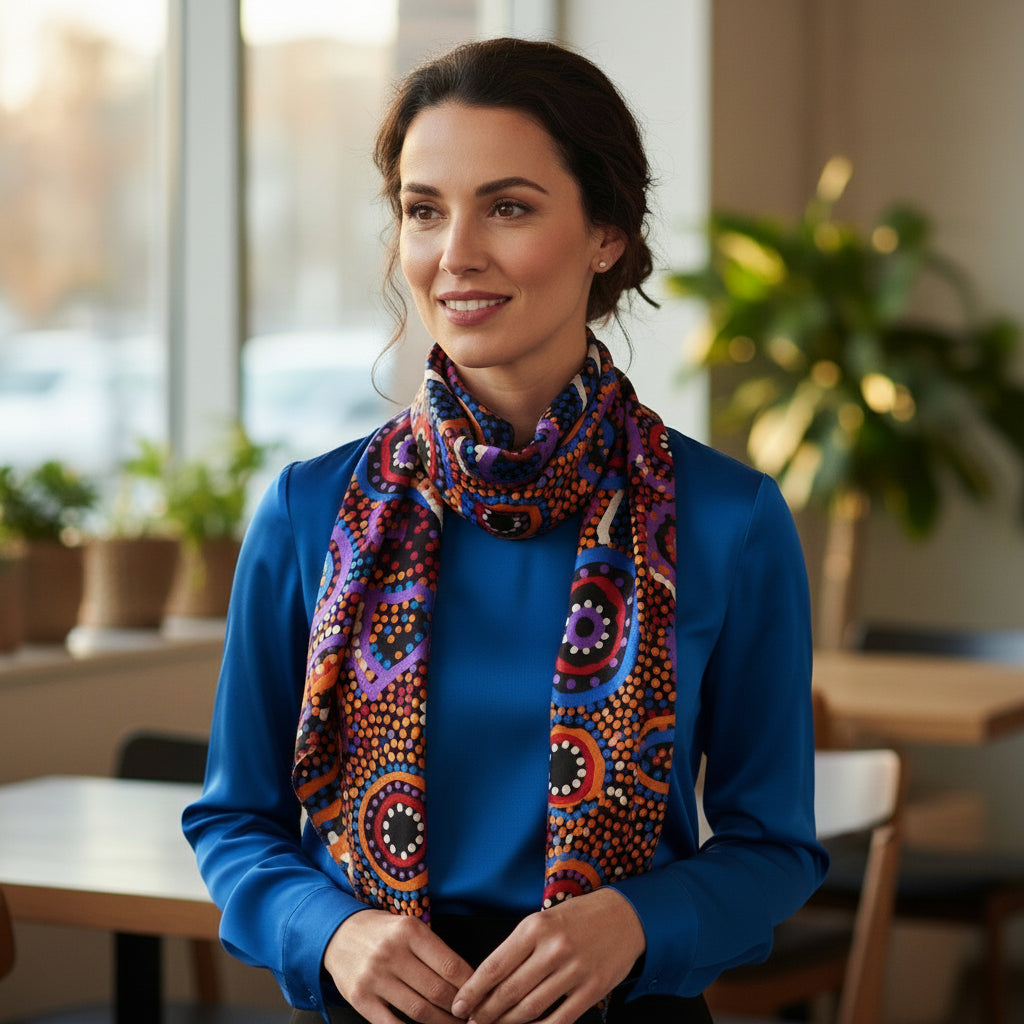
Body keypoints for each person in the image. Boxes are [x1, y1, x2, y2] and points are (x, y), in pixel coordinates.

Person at [183, 36, 828, 1024]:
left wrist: (636, 920)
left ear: (605, 231)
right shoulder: (307, 513)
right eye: (423, 210)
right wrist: (331, 930)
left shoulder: (728, 519)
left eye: (509, 206)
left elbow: (774, 844)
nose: (456, 254)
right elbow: (235, 820)